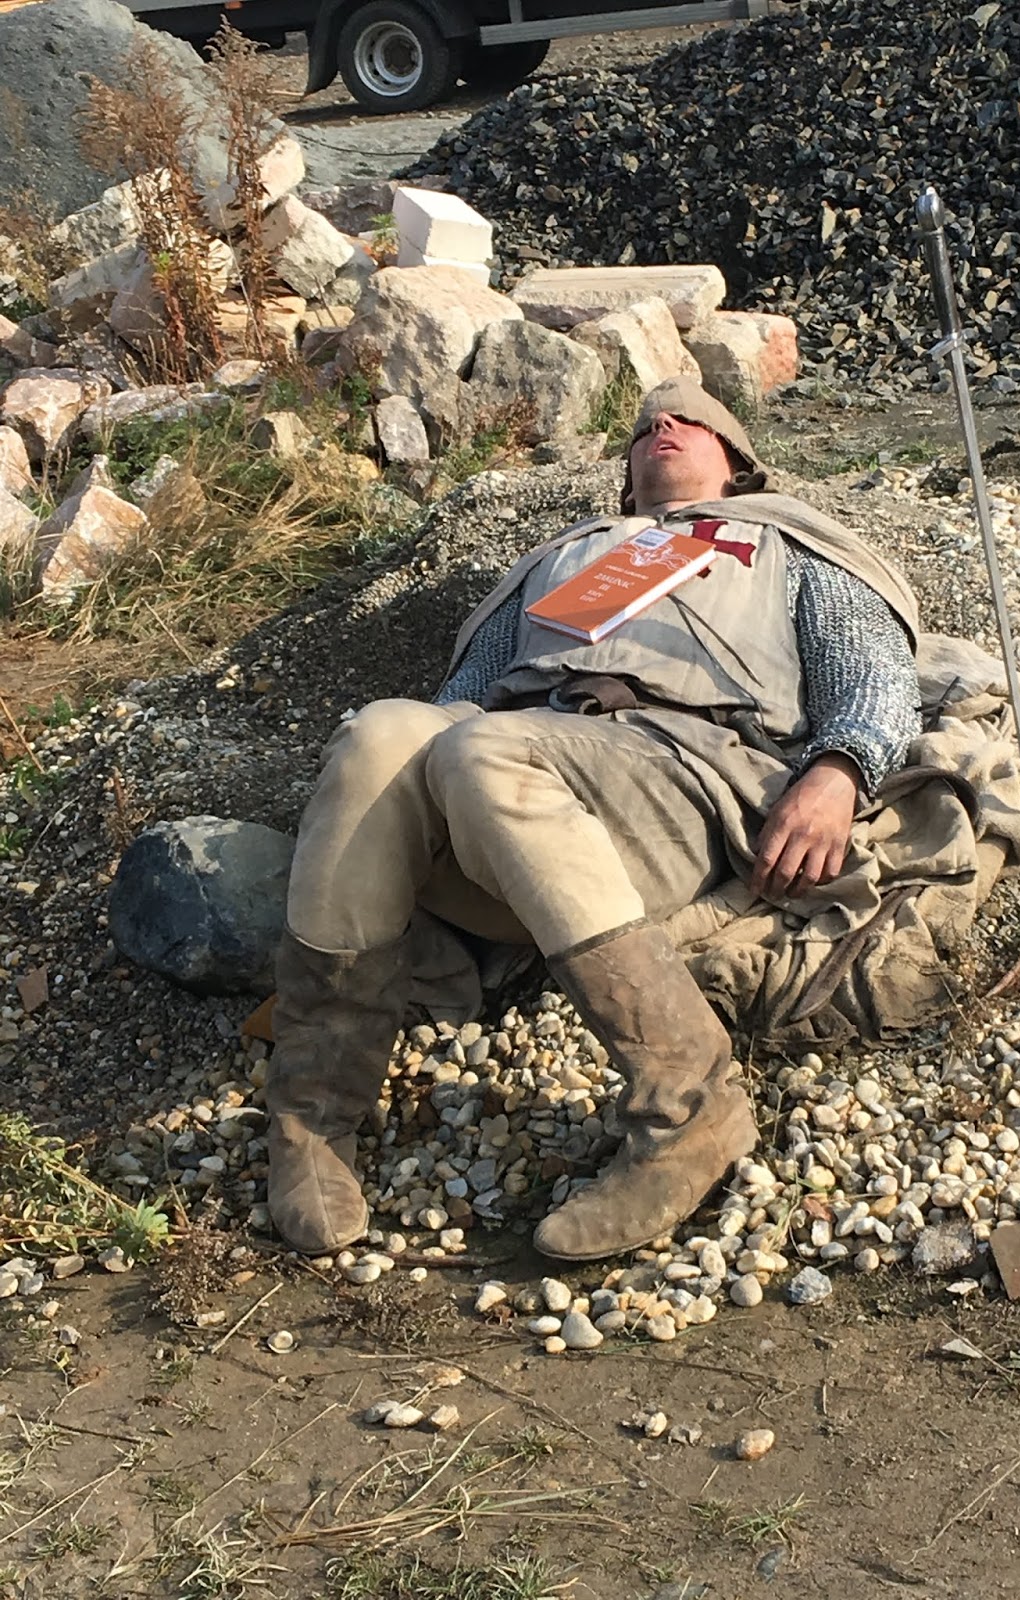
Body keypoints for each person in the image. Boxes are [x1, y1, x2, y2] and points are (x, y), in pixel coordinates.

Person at [267, 376, 922, 1262]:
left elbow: (873, 679)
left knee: (483, 751)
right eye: (646, 425)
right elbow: (463, 699)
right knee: (379, 734)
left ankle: (690, 1109)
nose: (663, 426)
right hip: (512, 787)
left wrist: (839, 772)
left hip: (685, 777)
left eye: (689, 421)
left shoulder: (785, 542)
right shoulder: (562, 556)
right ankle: (313, 1116)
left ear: (736, 460)